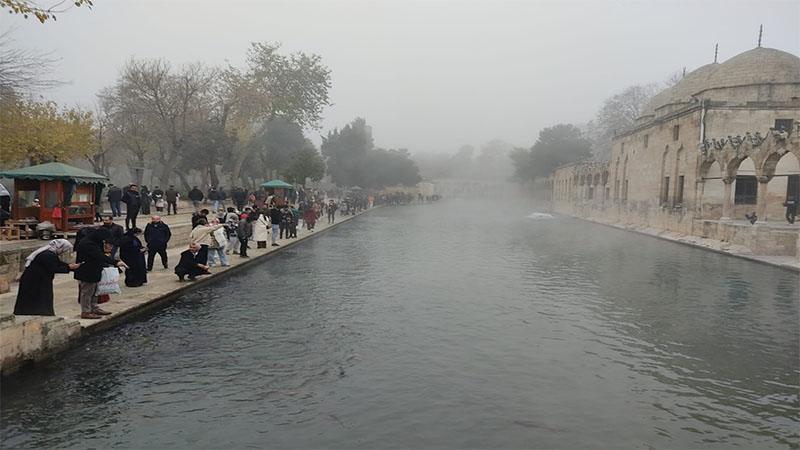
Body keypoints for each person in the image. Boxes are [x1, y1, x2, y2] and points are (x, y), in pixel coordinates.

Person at [13, 239, 81, 316]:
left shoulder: (50, 253)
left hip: (38, 280)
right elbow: (54, 268)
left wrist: (70, 267)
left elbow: (57, 263)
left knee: (40, 298)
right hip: (34, 281)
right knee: (37, 299)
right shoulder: (48, 255)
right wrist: (68, 267)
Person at [74, 228, 127, 319]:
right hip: (86, 270)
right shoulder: (87, 243)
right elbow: (98, 255)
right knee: (87, 292)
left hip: (95, 269)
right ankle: (86, 311)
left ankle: (94, 308)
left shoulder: (96, 241)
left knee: (95, 291)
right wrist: (116, 262)